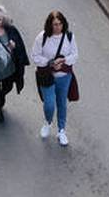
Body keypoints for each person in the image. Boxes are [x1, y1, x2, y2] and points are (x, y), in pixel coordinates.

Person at [31, 10, 79, 146]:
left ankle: (61, 130)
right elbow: (35, 56)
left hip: (64, 77)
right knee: (49, 104)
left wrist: (63, 60)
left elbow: (75, 55)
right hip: (47, 76)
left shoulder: (69, 37)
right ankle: (48, 122)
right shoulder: (42, 37)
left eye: (60, 24)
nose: (58, 27)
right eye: (55, 24)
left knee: (62, 103)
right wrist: (49, 62)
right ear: (49, 25)